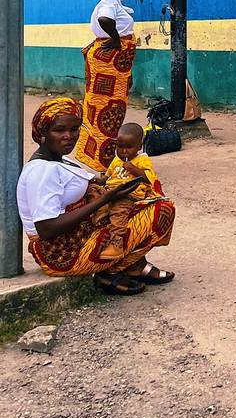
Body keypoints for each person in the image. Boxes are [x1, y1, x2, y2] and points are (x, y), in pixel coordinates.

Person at [17, 97, 175, 295]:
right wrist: (104, 198)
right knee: (162, 211)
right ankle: (111, 272)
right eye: (59, 130)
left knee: (142, 204)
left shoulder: (59, 160)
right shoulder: (42, 172)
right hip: (61, 254)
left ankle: (134, 265)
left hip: (76, 236)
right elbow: (47, 229)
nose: (68, 136)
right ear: (42, 132)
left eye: (74, 129)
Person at [75, 0, 137, 170]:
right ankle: (104, 159)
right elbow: (105, 19)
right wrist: (117, 39)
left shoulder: (113, 2)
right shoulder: (110, 4)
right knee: (109, 110)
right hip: (108, 63)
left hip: (111, 65)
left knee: (101, 107)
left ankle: (95, 155)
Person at [88, 123, 168, 261]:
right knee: (92, 191)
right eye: (120, 146)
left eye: (129, 147)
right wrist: (96, 181)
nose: (124, 151)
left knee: (118, 213)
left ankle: (116, 243)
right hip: (111, 191)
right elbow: (106, 177)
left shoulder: (142, 159)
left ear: (139, 146)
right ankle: (100, 221)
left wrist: (134, 169)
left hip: (128, 194)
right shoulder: (116, 160)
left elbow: (149, 178)